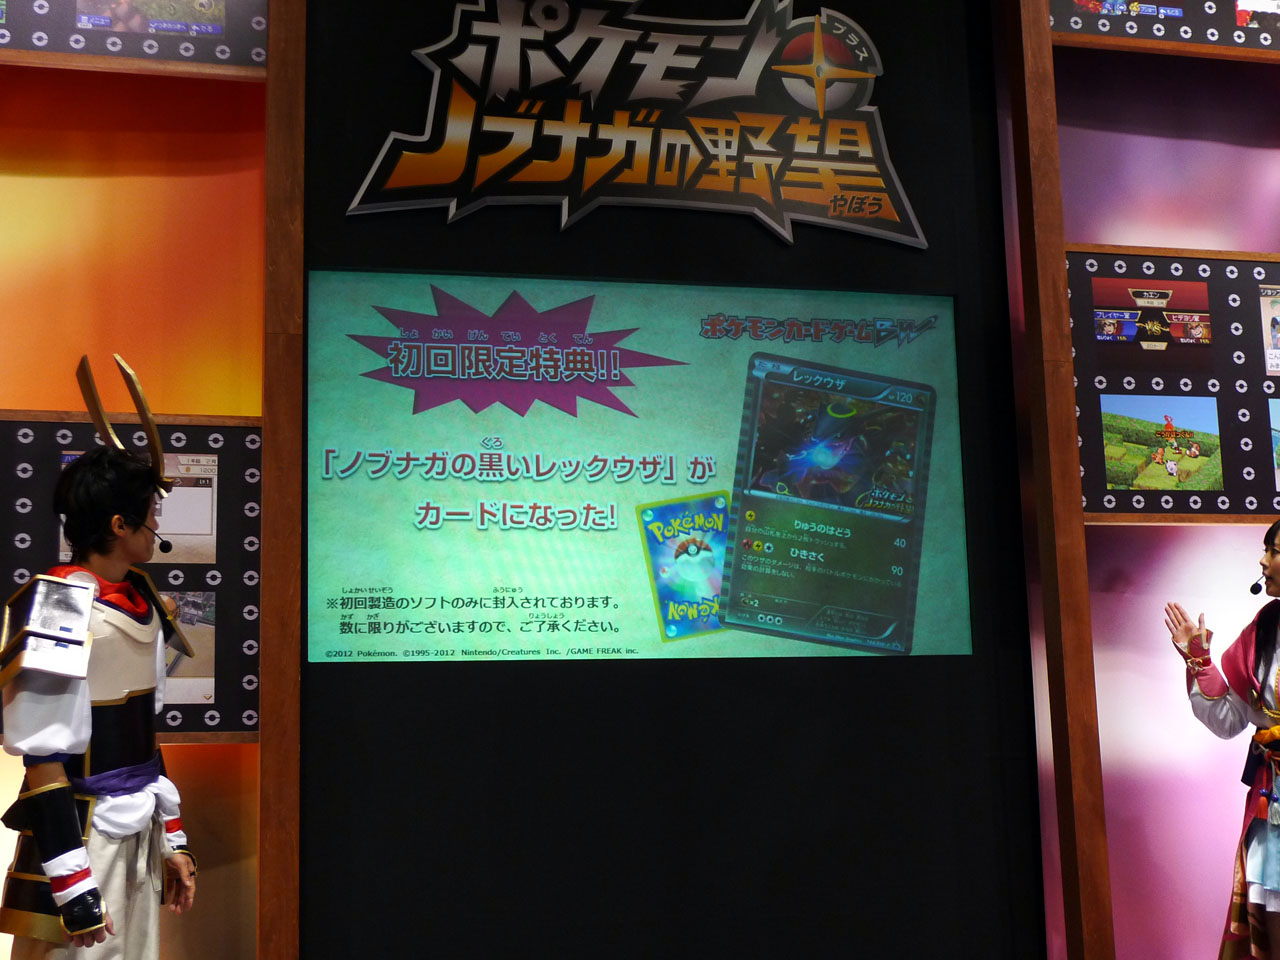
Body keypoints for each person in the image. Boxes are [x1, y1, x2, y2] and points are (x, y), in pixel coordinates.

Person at [0, 447, 195, 958]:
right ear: (119, 524)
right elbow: (43, 757)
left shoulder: (144, 598)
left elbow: (142, 735)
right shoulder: (56, 606)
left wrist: (172, 838)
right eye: (151, 513)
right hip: (81, 838)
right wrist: (73, 884)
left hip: (139, 830)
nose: (157, 525)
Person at [1167, 517, 1280, 958]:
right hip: (1273, 810)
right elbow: (1231, 718)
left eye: (1273, 551)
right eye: (1265, 550)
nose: (1263, 561)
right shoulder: (1265, 629)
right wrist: (1199, 661)